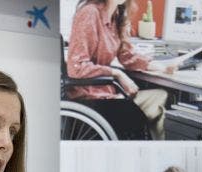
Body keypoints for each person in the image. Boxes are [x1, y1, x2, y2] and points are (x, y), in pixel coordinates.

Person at [66, 0, 180, 140]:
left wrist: (162, 67)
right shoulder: (89, 13)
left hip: (108, 92)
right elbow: (76, 67)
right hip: (92, 98)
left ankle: (150, 141)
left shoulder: (117, 15)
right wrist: (116, 73)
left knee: (162, 95)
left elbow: (127, 56)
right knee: (158, 102)